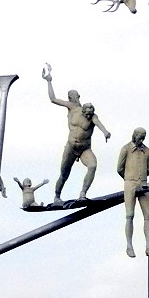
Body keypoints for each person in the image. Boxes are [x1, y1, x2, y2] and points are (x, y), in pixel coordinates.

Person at [42, 65, 111, 206]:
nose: (72, 98)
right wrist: (49, 81)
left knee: (92, 165)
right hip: (71, 147)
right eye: (70, 97)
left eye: (74, 96)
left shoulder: (92, 115)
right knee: (64, 174)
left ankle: (83, 193)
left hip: (84, 148)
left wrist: (105, 132)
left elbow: (98, 123)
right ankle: (57, 196)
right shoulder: (72, 108)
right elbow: (53, 99)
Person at [117, 127, 149, 258]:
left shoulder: (148, 152)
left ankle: (148, 245)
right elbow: (119, 168)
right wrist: (129, 178)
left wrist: (141, 178)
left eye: (143, 137)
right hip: (130, 182)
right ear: (134, 135)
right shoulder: (126, 149)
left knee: (148, 215)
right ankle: (129, 245)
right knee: (130, 214)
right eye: (140, 136)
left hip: (143, 183)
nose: (141, 139)